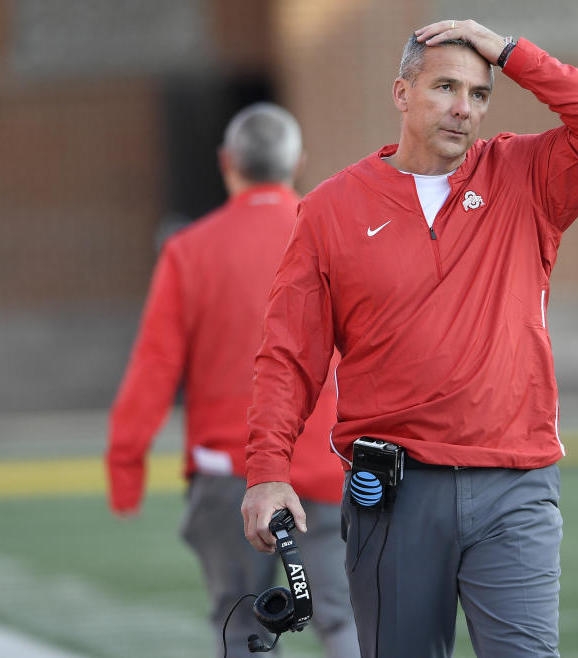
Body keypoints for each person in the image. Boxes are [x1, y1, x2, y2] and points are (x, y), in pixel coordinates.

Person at [241, 19, 578, 658]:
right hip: (394, 492)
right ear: (402, 94)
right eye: (445, 87)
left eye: (479, 94)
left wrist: (510, 51)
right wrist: (267, 472)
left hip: (516, 484)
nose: (463, 108)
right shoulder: (328, 210)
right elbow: (289, 355)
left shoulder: (525, 177)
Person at [106, 103, 359, 658]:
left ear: (227, 162)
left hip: (228, 471)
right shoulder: (338, 237)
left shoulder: (189, 250)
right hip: (327, 463)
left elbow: (155, 366)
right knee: (344, 619)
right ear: (298, 163)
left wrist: (126, 463)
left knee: (242, 625)